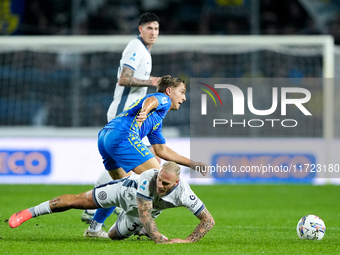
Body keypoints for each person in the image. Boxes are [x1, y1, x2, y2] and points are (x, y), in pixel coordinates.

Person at [85, 75, 207, 237]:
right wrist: (144, 110)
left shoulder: (156, 119)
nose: (184, 98)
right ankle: (145, 227)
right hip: (123, 135)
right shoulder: (163, 99)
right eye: (182, 92)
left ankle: (94, 229)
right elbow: (153, 100)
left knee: (117, 187)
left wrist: (192, 164)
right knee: (159, 180)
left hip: (106, 136)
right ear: (169, 91)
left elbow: (161, 150)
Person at [81, 12, 162, 224]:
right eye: (149, 28)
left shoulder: (144, 51)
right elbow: (124, 79)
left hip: (130, 117)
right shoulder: (135, 48)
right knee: (146, 172)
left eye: (156, 28)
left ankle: (95, 218)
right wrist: (152, 81)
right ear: (140, 29)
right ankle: (101, 212)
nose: (153, 32)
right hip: (123, 117)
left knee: (120, 171)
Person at [9, 162, 215, 244]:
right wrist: (160, 241)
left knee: (114, 237)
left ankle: (137, 229)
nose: (160, 185)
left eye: (165, 183)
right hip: (123, 192)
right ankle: (28, 213)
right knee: (80, 200)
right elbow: (145, 214)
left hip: (139, 214)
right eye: (160, 179)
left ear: (176, 183)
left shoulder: (184, 193)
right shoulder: (148, 178)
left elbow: (208, 221)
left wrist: (188, 241)